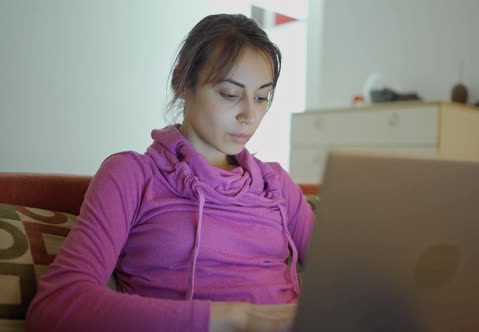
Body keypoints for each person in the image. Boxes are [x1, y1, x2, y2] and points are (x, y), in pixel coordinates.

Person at [26, 13, 314, 332]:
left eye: (262, 97)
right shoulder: (131, 174)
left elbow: (346, 282)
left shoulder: (275, 185)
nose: (250, 114)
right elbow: (58, 304)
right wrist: (238, 318)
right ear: (181, 82)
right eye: (230, 94)